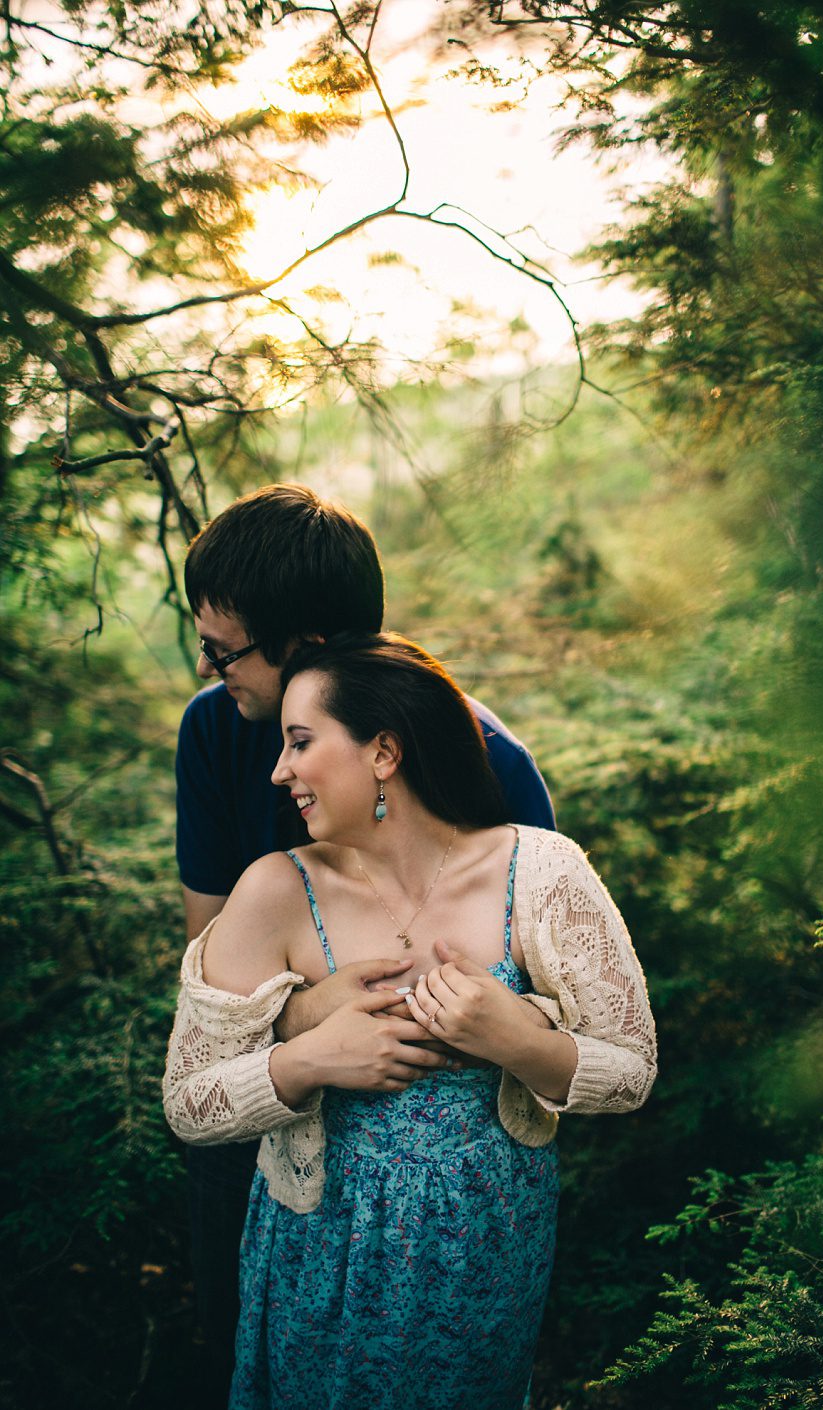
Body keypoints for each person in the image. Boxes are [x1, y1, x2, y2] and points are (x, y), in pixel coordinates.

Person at [164, 633, 657, 1410]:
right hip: (319, 1249)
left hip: (487, 1247)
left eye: (300, 742)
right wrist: (309, 1058)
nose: (278, 770)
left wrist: (519, 1042)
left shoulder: (543, 872)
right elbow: (189, 1101)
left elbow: (631, 1069)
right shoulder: (273, 891)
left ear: (383, 752)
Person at [175, 484, 557, 1400]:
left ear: (303, 644)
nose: (211, 669)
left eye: (222, 650)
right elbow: (208, 983)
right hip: (268, 1147)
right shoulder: (216, 732)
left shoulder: (488, 762)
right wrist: (310, 1016)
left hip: (448, 1190)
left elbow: (547, 992)